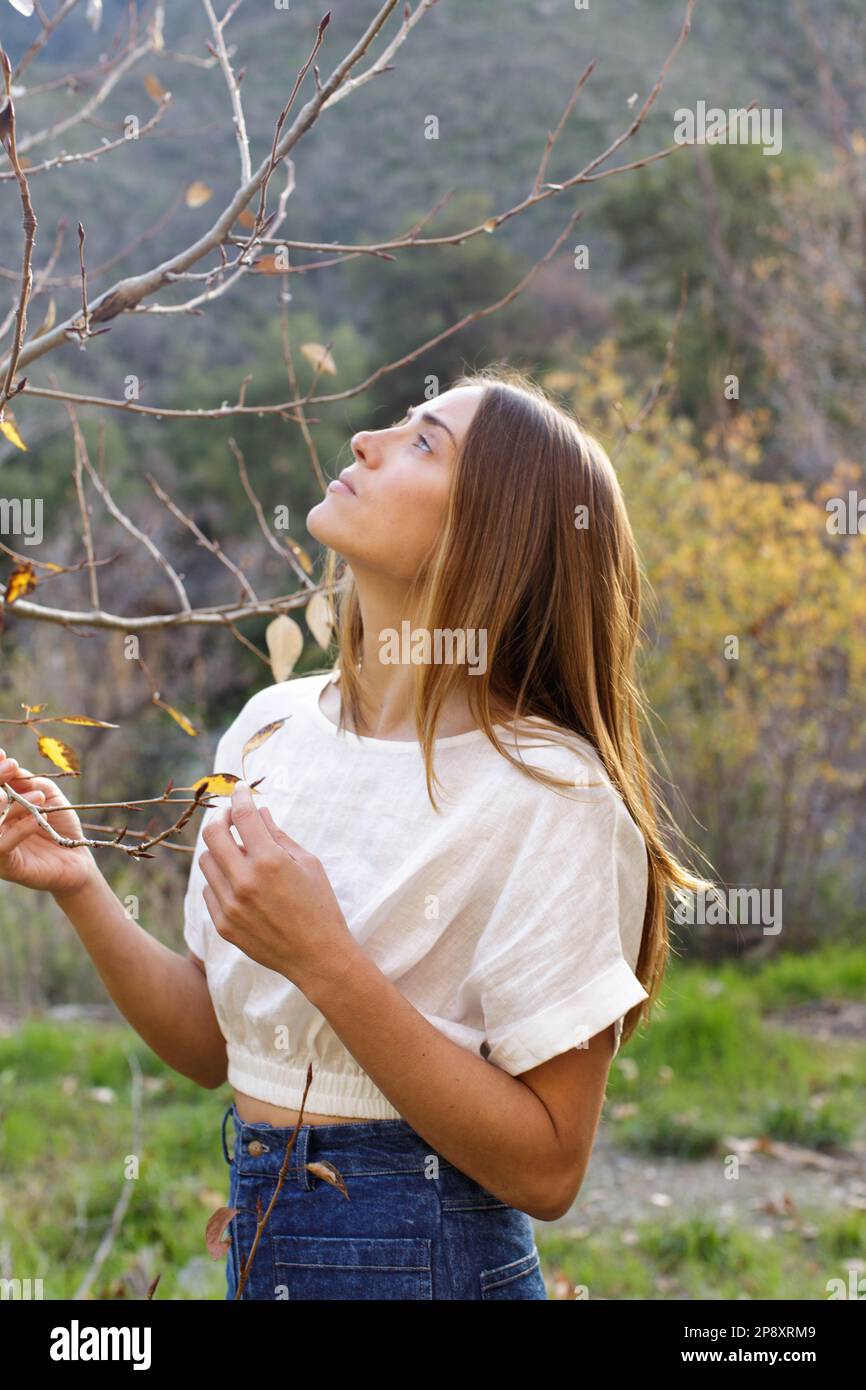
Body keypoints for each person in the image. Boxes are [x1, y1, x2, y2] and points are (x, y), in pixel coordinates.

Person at [0, 364, 714, 1300]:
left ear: (490, 534)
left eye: (425, 442)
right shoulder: (271, 728)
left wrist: (327, 959)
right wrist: (82, 885)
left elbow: (548, 1171)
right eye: (396, 424)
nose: (363, 442)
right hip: (263, 1248)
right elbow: (218, 1045)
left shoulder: (553, 793)